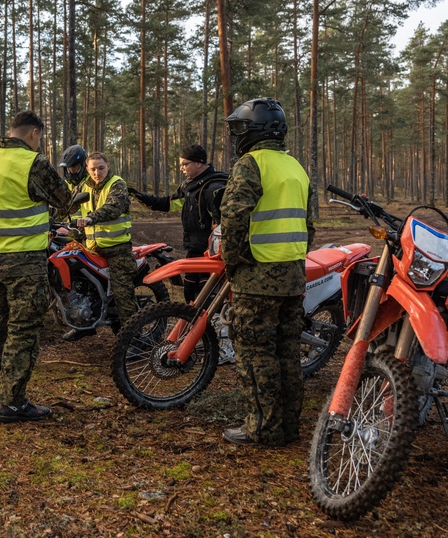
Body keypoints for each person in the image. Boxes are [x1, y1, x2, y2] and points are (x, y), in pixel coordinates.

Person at [0, 110, 70, 423]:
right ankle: (13, 403)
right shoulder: (34, 163)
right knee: (22, 333)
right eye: (40, 137)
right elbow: (64, 199)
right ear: (33, 133)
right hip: (26, 266)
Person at [218, 97, 315, 447]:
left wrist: (235, 259)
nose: (236, 136)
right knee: (286, 352)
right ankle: (288, 427)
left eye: (240, 129)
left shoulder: (250, 163)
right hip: (292, 275)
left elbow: (233, 217)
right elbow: (308, 224)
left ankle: (261, 428)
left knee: (255, 354)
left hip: (256, 276)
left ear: (255, 130)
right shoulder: (295, 167)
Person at [129, 145, 229, 303]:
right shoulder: (190, 186)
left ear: (198, 163)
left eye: (185, 164)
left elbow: (224, 227)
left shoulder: (213, 189)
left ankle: (211, 326)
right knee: (190, 294)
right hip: (193, 250)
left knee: (208, 299)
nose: (181, 168)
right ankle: (197, 326)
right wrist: (140, 197)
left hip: (210, 255)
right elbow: (168, 204)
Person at [62, 152, 136, 341]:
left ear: (108, 167)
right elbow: (71, 208)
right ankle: (83, 325)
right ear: (87, 170)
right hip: (92, 247)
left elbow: (113, 207)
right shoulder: (85, 186)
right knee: (83, 286)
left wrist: (90, 218)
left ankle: (134, 340)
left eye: (100, 168)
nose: (97, 172)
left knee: (123, 296)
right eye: (93, 169)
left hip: (117, 250)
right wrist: (55, 222)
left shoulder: (117, 184)